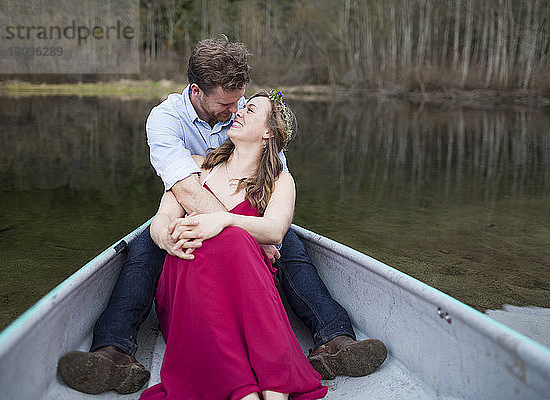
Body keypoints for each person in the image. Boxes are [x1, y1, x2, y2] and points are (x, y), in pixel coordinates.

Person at [58, 37, 386, 395]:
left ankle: (334, 340)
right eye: (227, 103)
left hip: (242, 212)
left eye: (241, 102)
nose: (236, 110)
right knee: (143, 249)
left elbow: (271, 175)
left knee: (290, 244)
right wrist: (228, 233)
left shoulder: (249, 114)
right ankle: (114, 351)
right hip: (193, 212)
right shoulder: (166, 119)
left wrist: (247, 231)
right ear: (197, 91)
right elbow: (184, 188)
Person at [140, 89, 327, 400]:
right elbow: (161, 220)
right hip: (188, 277)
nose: (239, 112)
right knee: (224, 241)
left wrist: (224, 220)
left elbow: (275, 231)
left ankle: (269, 388)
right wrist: (167, 239)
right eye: (242, 107)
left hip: (246, 288)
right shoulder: (198, 167)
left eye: (250, 110)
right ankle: (248, 391)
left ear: (268, 132)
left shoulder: (279, 181)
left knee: (234, 239)